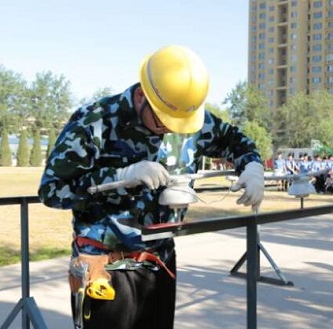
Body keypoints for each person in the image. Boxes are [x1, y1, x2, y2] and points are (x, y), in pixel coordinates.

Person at [38, 45, 265, 329]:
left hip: (159, 259)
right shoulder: (95, 122)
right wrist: (121, 178)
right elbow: (52, 190)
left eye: (178, 125)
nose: (170, 130)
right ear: (142, 96)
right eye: (163, 122)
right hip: (104, 263)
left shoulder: (185, 116)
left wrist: (253, 166)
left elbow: (235, 140)